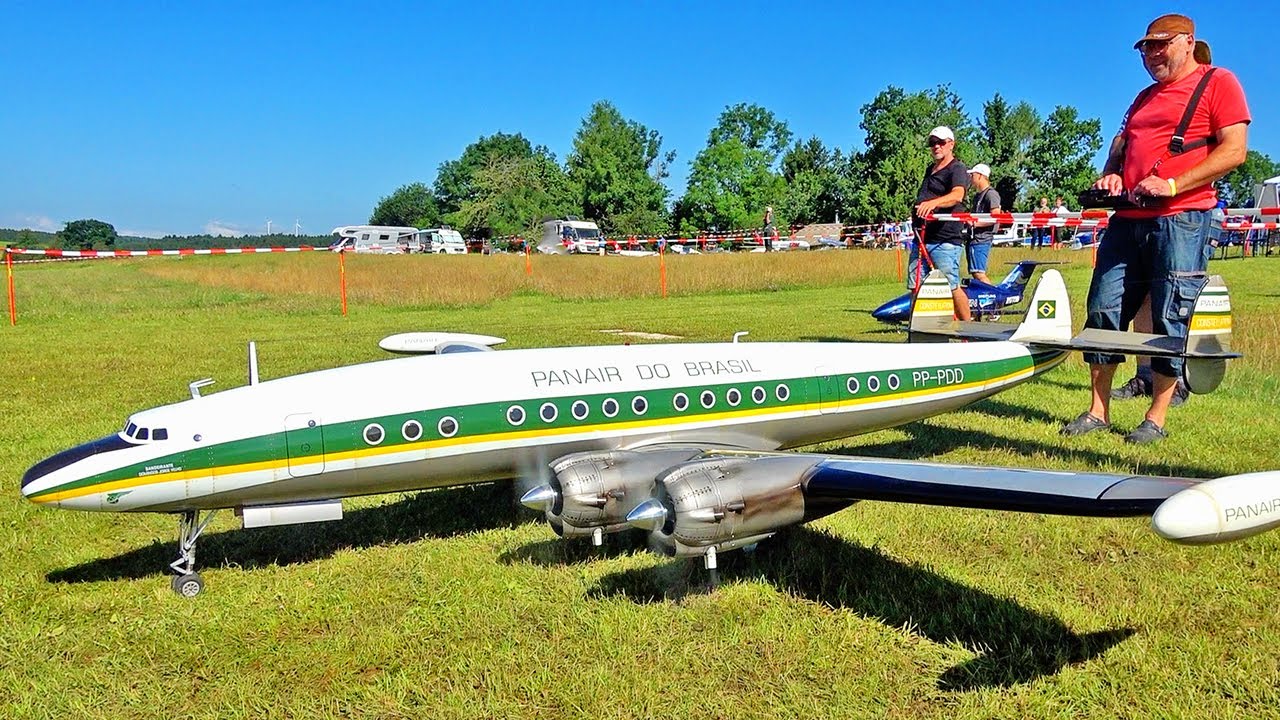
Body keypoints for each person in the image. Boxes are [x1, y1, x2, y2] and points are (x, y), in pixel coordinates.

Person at [1061, 13, 1250, 444]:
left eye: (1160, 45)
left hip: (1183, 218)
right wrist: (1111, 173)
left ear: (1188, 42)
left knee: (1171, 316)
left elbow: (1235, 151)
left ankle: (1157, 417)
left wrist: (1171, 183)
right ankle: (1098, 410)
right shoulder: (1144, 97)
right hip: (1127, 219)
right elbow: (1121, 143)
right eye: (1145, 47)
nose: (1151, 54)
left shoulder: (1218, 82)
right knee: (1102, 309)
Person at [910, 126, 972, 320]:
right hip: (921, 238)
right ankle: (918, 331)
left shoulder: (957, 168)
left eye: (941, 142)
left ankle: (967, 331)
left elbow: (957, 195)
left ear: (951, 144)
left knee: (951, 286)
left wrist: (932, 204)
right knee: (916, 286)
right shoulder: (930, 169)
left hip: (944, 240)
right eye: (932, 143)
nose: (936, 146)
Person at [966, 163, 1000, 284]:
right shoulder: (977, 196)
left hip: (982, 239)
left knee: (979, 273)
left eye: (973, 175)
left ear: (980, 176)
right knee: (976, 273)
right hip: (974, 238)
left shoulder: (991, 194)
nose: (971, 178)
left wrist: (975, 224)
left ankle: (992, 297)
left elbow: (996, 217)